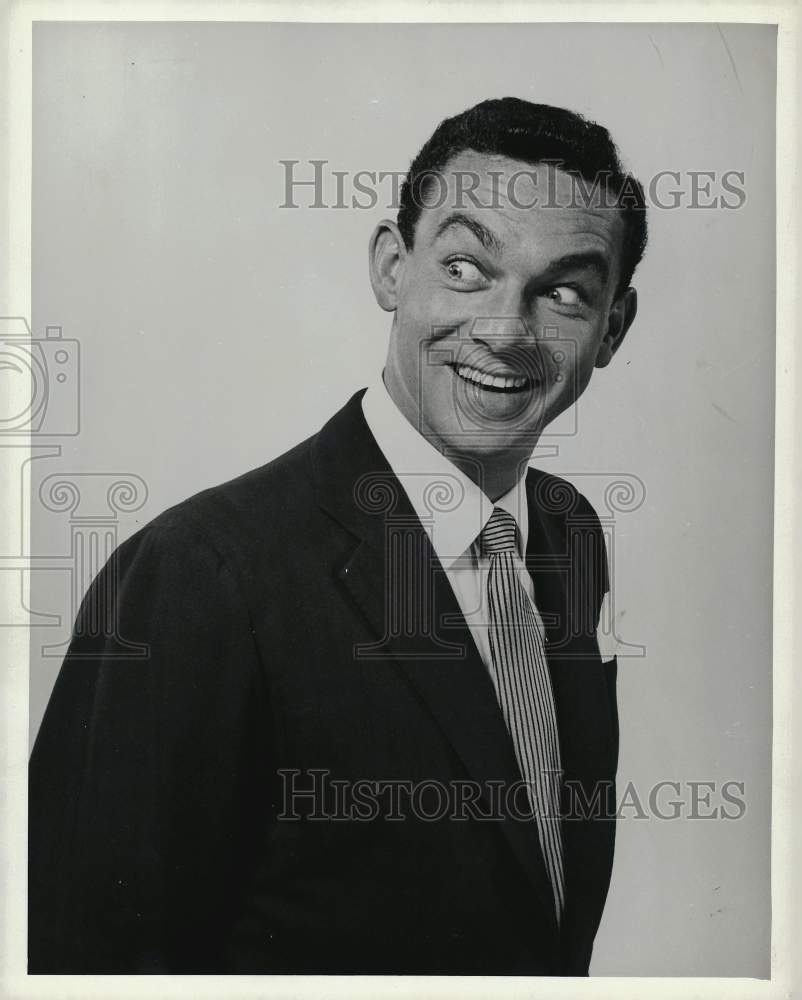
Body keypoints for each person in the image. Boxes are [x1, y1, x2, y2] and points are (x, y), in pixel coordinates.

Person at [29, 97, 646, 975]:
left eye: (564, 293)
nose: (506, 331)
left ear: (613, 328)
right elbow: (84, 958)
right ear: (392, 268)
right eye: (467, 268)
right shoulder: (200, 571)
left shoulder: (568, 532)